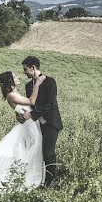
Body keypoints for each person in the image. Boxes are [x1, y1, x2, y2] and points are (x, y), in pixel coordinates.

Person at [20, 56, 63, 185]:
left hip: (51, 122)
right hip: (38, 124)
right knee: (40, 152)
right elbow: (31, 102)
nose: (24, 72)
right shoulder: (28, 86)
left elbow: (51, 103)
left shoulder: (50, 81)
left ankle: (51, 181)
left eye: (25, 69)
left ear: (33, 68)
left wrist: (32, 114)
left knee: (48, 152)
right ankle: (42, 178)